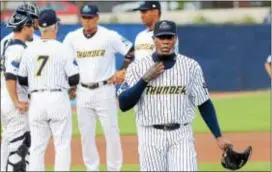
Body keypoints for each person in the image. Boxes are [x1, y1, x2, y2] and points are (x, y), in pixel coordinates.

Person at [118, 20, 232, 171]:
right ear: (153, 39)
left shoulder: (190, 66)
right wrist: (144, 79)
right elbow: (123, 104)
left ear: (176, 39)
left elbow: (204, 103)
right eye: (161, 37)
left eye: (169, 37)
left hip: (181, 135)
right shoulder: (137, 68)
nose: (165, 41)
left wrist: (218, 136)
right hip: (150, 136)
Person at [63, 4, 134, 171]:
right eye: (84, 17)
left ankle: (114, 168)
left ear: (97, 18)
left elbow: (130, 49)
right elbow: (64, 62)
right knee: (86, 135)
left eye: (90, 17)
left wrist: (123, 69)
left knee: (112, 133)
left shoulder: (108, 36)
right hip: (83, 91)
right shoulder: (72, 37)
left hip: (105, 90)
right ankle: (92, 168)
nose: (86, 21)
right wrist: (71, 84)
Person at [17, 9, 80, 171]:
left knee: (37, 148)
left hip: (36, 100)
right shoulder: (62, 48)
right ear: (55, 27)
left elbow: (22, 79)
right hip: (58, 98)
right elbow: (75, 78)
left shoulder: (29, 49)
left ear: (39, 27)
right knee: (62, 145)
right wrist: (70, 87)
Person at [0, 12, 35, 172]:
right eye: (31, 26)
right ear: (24, 27)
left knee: (9, 146)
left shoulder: (10, 46)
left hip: (7, 100)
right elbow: (10, 76)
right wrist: (16, 101)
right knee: (19, 153)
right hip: (15, 103)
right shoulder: (17, 49)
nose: (33, 29)